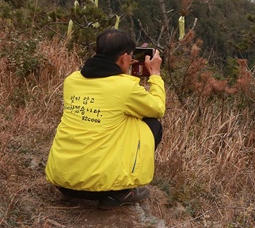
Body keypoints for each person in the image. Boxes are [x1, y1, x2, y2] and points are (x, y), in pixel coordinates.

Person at [45, 29, 166, 209]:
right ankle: (120, 192)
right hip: (100, 189)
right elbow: (157, 108)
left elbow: (108, 95)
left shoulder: (72, 80)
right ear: (124, 58)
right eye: (131, 55)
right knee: (152, 124)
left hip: (63, 182)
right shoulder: (125, 88)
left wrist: (123, 73)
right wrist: (155, 75)